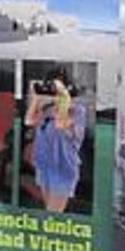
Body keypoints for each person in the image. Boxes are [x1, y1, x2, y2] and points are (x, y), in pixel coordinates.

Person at [27, 67, 87, 212]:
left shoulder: (77, 109)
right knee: (48, 209)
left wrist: (64, 96)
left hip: (63, 165)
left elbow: (61, 124)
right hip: (44, 164)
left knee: (54, 213)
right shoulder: (46, 108)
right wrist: (36, 97)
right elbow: (29, 121)